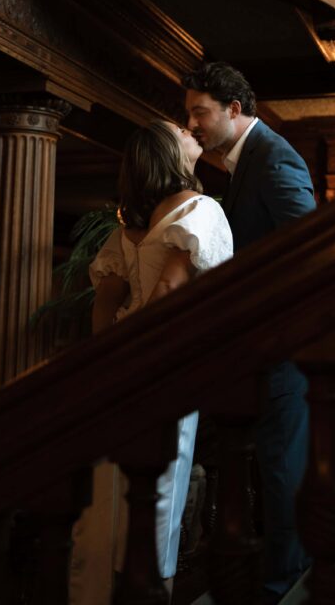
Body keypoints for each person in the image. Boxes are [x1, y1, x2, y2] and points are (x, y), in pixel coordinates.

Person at [183, 62, 316, 605]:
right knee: (273, 471)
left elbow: (309, 247)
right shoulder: (245, 165)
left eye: (200, 112)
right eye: (188, 113)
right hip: (259, 351)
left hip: (282, 347)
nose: (191, 124)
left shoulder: (273, 157)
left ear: (234, 110)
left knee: (283, 474)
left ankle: (284, 585)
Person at [88, 119, 233, 596]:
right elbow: (171, 287)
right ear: (171, 153)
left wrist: (110, 354)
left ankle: (112, 584)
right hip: (164, 359)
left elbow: (106, 300)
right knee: (162, 487)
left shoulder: (129, 226)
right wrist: (144, 353)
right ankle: (153, 588)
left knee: (115, 482)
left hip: (118, 362)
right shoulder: (200, 208)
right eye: (183, 133)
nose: (194, 133)